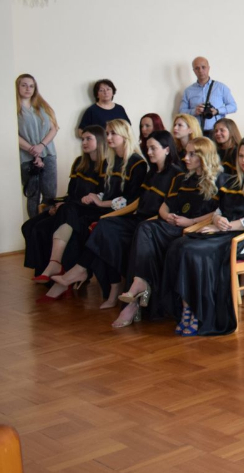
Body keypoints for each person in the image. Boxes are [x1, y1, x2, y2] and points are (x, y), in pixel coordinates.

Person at [50, 131, 181, 319]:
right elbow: (137, 203)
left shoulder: (176, 174)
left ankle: (86, 273)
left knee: (107, 234)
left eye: (153, 148)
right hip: (138, 219)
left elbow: (167, 210)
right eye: (148, 148)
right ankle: (104, 284)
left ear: (167, 150)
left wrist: (140, 222)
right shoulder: (152, 172)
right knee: (103, 227)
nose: (149, 152)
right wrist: (109, 216)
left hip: (153, 225)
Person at [159, 139, 244, 335]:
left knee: (196, 251)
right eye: (241, 156)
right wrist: (217, 220)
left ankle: (200, 313)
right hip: (223, 231)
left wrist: (227, 227)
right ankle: (186, 308)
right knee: (179, 246)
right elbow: (219, 209)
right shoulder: (232, 181)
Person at [114, 138, 227, 326]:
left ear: (204, 156)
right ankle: (140, 283)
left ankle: (138, 293)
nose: (185, 158)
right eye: (186, 153)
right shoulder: (182, 178)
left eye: (192, 154)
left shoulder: (222, 179)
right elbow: (164, 207)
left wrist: (191, 222)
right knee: (144, 228)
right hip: (174, 225)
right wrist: (167, 216)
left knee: (146, 231)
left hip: (195, 229)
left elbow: (218, 213)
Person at [22, 125, 107, 284]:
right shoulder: (79, 162)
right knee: (30, 226)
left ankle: (55, 267)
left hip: (90, 211)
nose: (84, 142)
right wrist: (58, 205)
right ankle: (45, 273)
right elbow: (71, 193)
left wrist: (66, 205)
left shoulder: (107, 165)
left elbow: (100, 197)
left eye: (88, 139)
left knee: (46, 226)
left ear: (100, 140)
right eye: (83, 139)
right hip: (71, 207)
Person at [16, 74, 60, 219]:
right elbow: (13, 134)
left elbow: (54, 128)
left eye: (31, 86)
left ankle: (47, 226)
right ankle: (34, 227)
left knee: (50, 194)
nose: (28, 89)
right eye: (24, 85)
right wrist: (33, 151)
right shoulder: (13, 109)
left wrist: (41, 146)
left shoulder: (42, 106)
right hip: (27, 157)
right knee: (33, 195)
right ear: (17, 87)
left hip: (48, 153)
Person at [178, 57, 236, 134]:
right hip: (196, 132)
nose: (200, 71)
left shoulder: (221, 87)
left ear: (208, 68)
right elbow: (181, 111)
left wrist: (217, 111)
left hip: (216, 132)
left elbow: (233, 106)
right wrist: (195, 111)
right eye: (197, 68)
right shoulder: (188, 91)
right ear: (194, 71)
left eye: (203, 67)